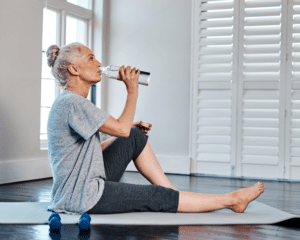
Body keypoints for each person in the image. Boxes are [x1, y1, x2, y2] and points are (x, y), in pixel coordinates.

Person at [46, 42, 264, 215]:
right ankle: (232, 201)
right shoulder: (74, 103)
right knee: (153, 194)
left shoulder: (71, 102)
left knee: (133, 135)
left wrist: (129, 129)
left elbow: (100, 146)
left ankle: (174, 195)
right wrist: (132, 90)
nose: (98, 63)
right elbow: (120, 130)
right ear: (74, 69)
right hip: (82, 196)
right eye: (91, 58)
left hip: (83, 185)